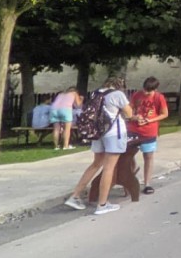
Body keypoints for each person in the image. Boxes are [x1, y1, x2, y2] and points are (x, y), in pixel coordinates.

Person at [65, 76, 132, 216]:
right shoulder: (117, 94)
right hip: (114, 133)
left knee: (96, 164)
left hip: (98, 132)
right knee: (109, 168)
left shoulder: (96, 93)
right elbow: (129, 113)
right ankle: (102, 204)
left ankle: (75, 195)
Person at [129, 76, 169, 194]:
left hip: (149, 130)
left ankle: (147, 184)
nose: (146, 92)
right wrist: (135, 117)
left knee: (148, 156)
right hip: (134, 129)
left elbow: (164, 114)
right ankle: (133, 173)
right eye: (145, 89)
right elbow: (130, 110)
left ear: (155, 89)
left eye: (149, 90)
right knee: (128, 154)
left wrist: (150, 120)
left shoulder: (159, 98)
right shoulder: (137, 95)